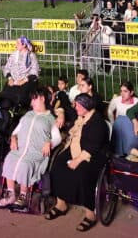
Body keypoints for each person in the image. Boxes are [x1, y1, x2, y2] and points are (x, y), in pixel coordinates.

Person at [46, 93, 110, 232]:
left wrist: (77, 160)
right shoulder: (80, 117)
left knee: (82, 173)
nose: (76, 107)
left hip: (93, 154)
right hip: (76, 148)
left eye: (78, 105)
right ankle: (61, 204)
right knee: (57, 166)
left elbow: (94, 146)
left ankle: (90, 213)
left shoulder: (97, 121)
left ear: (87, 106)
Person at [0, 88, 60, 210]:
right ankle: (11, 194)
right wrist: (14, 138)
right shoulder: (28, 115)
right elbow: (16, 131)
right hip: (20, 149)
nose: (32, 102)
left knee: (25, 164)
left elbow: (57, 138)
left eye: (34, 99)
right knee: (9, 159)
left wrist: (49, 143)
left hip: (35, 152)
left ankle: (23, 196)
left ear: (42, 98)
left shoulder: (50, 118)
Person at [0, 37, 40, 108]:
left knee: (20, 95)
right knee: (5, 95)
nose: (16, 45)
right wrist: (10, 78)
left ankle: (18, 107)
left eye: (18, 43)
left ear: (24, 45)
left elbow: (35, 72)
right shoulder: (13, 55)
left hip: (26, 81)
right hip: (13, 80)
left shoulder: (31, 56)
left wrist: (23, 80)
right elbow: (7, 68)